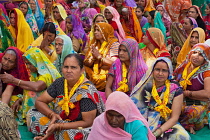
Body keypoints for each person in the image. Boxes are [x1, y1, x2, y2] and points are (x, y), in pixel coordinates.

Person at [29, 54, 105, 139]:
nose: (69, 70)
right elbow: (39, 101)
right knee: (33, 114)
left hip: (80, 127)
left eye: (73, 67)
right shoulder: (60, 82)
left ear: (82, 70)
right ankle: (52, 134)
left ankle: (50, 134)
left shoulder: (87, 90)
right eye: (66, 67)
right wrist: (52, 114)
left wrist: (60, 126)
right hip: (60, 120)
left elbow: (88, 122)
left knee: (77, 135)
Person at [131, 57, 191, 139]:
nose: (160, 73)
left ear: (169, 72)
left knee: (182, 137)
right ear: (152, 70)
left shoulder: (175, 88)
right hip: (145, 121)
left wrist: (157, 132)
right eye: (157, 69)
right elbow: (138, 110)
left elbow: (174, 118)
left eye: (164, 70)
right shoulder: (146, 85)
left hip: (166, 123)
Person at [0, 47, 61, 121]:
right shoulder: (35, 74)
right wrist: (20, 100)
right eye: (26, 64)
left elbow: (37, 87)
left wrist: (13, 80)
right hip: (38, 104)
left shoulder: (46, 75)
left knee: (29, 91)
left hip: (48, 106)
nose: (28, 67)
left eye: (29, 64)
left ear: (37, 61)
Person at [173, 43, 210, 134]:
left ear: (206, 58)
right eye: (194, 52)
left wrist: (186, 93)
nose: (196, 56)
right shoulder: (184, 66)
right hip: (180, 100)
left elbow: (207, 94)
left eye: (201, 54)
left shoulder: (206, 71)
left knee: (195, 112)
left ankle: (188, 124)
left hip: (198, 103)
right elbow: (173, 82)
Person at [88, 91, 155, 140]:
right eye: (110, 115)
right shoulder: (99, 122)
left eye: (119, 116)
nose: (113, 120)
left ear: (126, 114)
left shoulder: (137, 127)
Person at [84, 22, 120, 91]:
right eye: (95, 30)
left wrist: (99, 57)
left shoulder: (114, 44)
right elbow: (87, 62)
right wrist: (93, 59)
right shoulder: (95, 44)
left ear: (105, 31)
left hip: (106, 75)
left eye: (98, 30)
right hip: (94, 73)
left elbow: (115, 64)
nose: (95, 32)